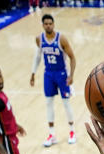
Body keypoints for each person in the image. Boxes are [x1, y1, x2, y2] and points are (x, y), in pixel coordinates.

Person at [30, 14, 77, 147]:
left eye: (50, 23)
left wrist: (71, 75)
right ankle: (52, 134)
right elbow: (38, 56)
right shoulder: (39, 39)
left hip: (62, 74)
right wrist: (33, 73)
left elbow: (73, 57)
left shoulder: (61, 38)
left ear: (54, 24)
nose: (48, 25)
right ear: (43, 25)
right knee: (49, 103)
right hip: (48, 74)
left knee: (66, 103)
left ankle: (72, 131)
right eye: (46, 23)